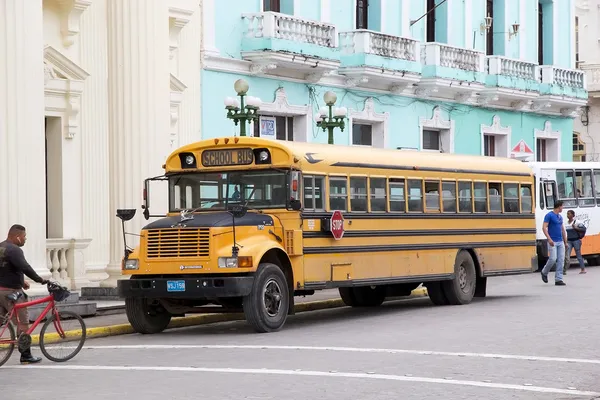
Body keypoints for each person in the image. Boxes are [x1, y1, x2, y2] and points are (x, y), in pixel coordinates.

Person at [0, 224, 48, 364]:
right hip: (12, 293)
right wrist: (39, 280)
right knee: (23, 324)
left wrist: (22, 282)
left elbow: (7, 268)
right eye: (24, 236)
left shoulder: (1, 247)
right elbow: (24, 267)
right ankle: (26, 355)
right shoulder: (14, 250)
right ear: (17, 237)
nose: (25, 239)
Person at [540, 201, 567, 286]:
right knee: (552, 258)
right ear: (558, 207)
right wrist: (549, 239)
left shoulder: (560, 217)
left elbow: (563, 230)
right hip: (553, 241)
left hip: (560, 241)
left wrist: (565, 242)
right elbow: (544, 228)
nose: (563, 208)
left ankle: (558, 279)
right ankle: (544, 272)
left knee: (561, 260)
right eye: (562, 206)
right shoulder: (549, 215)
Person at [564, 210, 587, 274]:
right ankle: (564, 270)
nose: (568, 215)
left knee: (578, 255)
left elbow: (583, 229)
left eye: (569, 214)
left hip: (576, 240)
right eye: (567, 214)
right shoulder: (566, 223)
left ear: (573, 215)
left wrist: (576, 228)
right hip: (569, 241)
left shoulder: (577, 222)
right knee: (567, 256)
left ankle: (583, 269)